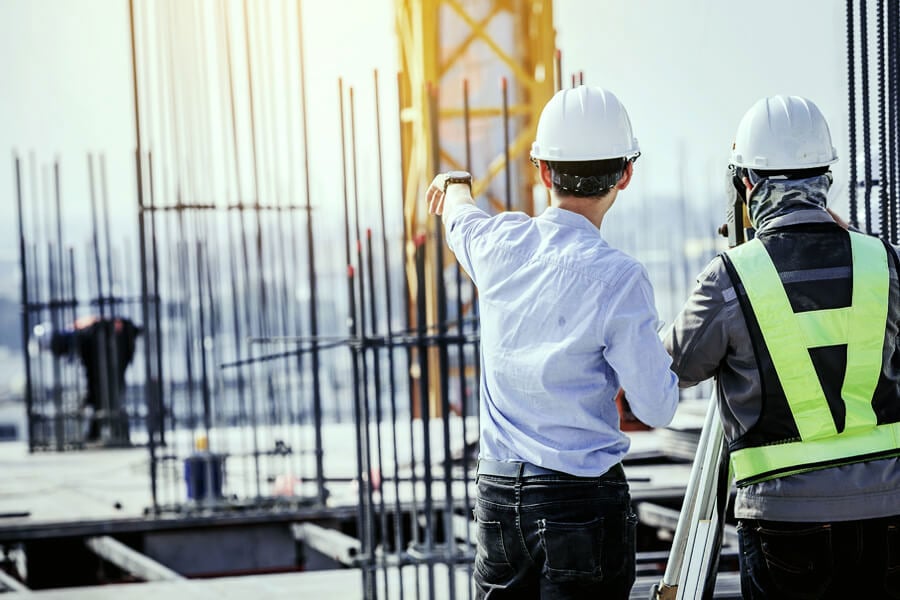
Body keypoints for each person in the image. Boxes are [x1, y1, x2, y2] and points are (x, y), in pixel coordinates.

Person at [426, 85, 680, 599]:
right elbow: (657, 406)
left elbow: (458, 213)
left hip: (498, 500)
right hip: (581, 504)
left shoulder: (498, 245)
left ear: (542, 171)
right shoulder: (621, 280)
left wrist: (454, 183)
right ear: (625, 176)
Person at [663, 95, 900, 599]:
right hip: (887, 511)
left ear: (747, 184)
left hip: (785, 520)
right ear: (826, 180)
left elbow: (667, 368)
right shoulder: (885, 262)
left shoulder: (730, 279)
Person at [44, 315, 142, 443]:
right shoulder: (80, 332)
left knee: (107, 393)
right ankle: (109, 433)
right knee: (107, 393)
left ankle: (111, 434)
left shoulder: (83, 336)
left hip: (116, 345)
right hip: (118, 343)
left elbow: (93, 375)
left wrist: (89, 397)